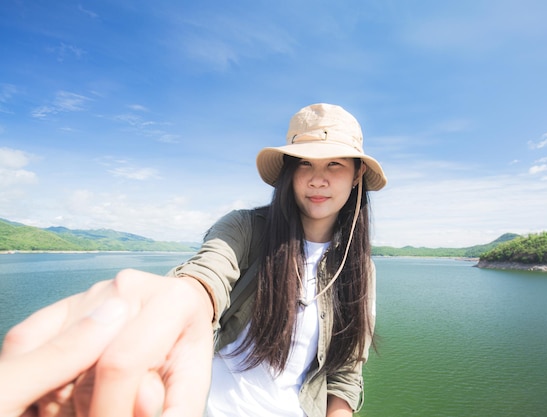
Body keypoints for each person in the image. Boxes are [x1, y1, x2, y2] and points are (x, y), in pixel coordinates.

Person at [0, 103, 387, 417]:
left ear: (357, 175)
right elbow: (206, 276)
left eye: (334, 164)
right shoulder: (246, 229)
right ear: (289, 172)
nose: (318, 179)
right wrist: (178, 301)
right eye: (304, 163)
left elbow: (346, 372)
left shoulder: (358, 270)